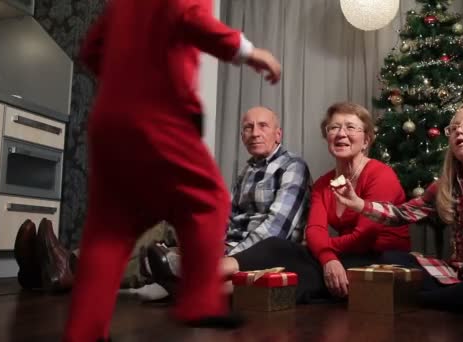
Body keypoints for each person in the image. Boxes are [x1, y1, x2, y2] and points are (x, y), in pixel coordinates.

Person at [65, 0, 282, 340]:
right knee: (208, 201)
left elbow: (93, 49)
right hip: (160, 114)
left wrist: (127, 78)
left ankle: (84, 331)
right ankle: (199, 302)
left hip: (110, 118)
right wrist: (249, 52)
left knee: (110, 229)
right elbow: (190, 17)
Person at [333, 102, 463, 316]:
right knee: (391, 259)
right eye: (454, 128)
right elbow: (401, 214)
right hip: (458, 273)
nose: (460, 130)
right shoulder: (444, 186)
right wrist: (359, 203)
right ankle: (456, 297)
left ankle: (418, 300)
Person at [218, 102, 411, 303]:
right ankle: (204, 279)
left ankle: (211, 294)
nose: (341, 134)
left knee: (303, 272)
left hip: (381, 259)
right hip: (342, 255)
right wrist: (327, 257)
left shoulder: (381, 175)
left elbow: (363, 237)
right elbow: (314, 231)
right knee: (276, 246)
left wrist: (325, 253)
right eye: (334, 127)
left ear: (366, 140)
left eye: (350, 127)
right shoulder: (323, 183)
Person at [146, 106, 312, 293]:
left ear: (278, 135)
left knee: (176, 263)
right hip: (233, 246)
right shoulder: (246, 172)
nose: (255, 133)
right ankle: (175, 273)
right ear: (242, 137)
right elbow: (227, 217)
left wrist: (229, 257)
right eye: (248, 128)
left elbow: (277, 228)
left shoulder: (293, 167)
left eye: (263, 126)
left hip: (265, 253)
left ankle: (183, 279)